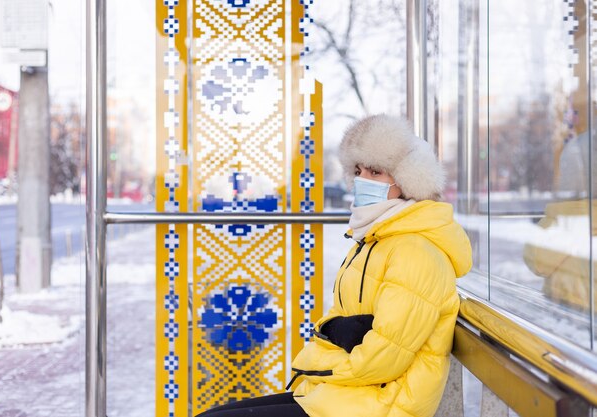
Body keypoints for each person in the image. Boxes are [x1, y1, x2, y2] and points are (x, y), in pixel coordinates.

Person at [196, 114, 472, 417]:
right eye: (358, 170)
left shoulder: (416, 252)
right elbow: (336, 324)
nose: (362, 179)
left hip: (379, 406)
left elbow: (382, 360)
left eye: (376, 171)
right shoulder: (376, 238)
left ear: (408, 180)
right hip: (343, 396)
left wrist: (318, 364)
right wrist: (334, 336)